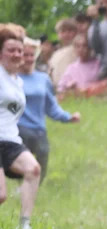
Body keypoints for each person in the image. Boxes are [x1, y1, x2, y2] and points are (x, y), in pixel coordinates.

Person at [17, 37, 80, 181]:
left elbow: (51, 106)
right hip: (18, 128)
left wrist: (68, 117)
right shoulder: (11, 78)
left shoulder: (43, 79)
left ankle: (36, 188)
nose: (28, 58)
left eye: (31, 55)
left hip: (39, 128)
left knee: (43, 156)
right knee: (23, 160)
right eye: (25, 55)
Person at [0, 28, 44, 229]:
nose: (17, 55)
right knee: (0, 195)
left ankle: (24, 226)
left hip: (10, 140)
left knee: (33, 170)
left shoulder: (18, 81)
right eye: (11, 50)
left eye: (20, 50)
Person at [47, 18, 79, 86]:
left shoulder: (79, 49)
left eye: (70, 30)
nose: (66, 34)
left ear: (76, 32)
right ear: (58, 34)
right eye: (63, 31)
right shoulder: (55, 54)